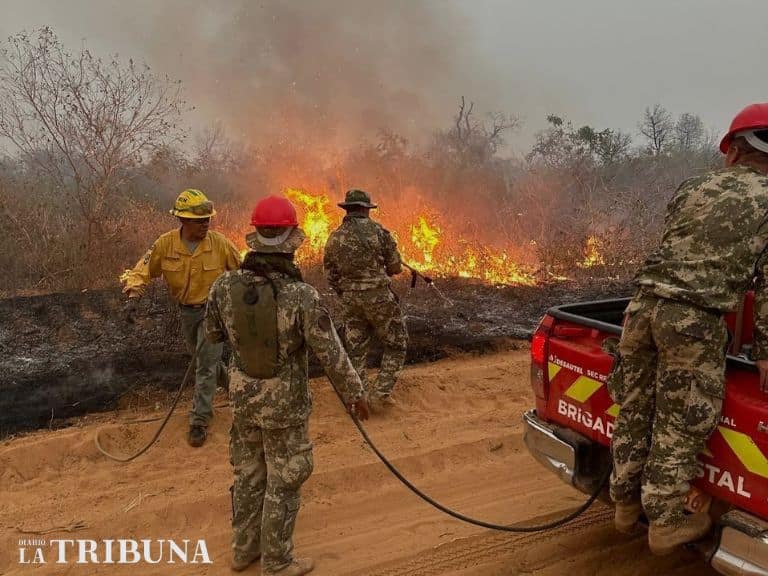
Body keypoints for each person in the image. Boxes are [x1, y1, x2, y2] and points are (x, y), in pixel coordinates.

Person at [608, 103, 768, 555]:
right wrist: (764, 351)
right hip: (693, 321)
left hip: (641, 309)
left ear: (734, 152)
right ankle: (665, 522)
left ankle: (623, 503)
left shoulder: (692, 186)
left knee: (636, 406)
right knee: (680, 422)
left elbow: (674, 248)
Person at [205, 195, 369, 576]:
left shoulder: (223, 286)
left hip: (244, 402)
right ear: (292, 238)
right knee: (286, 477)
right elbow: (331, 353)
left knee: (247, 474)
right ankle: (277, 562)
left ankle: (244, 550)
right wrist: (355, 393)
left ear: (255, 235)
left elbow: (213, 335)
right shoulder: (301, 296)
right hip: (285, 408)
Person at [121, 188, 241, 448]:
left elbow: (243, 270)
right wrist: (133, 298)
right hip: (187, 312)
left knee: (205, 366)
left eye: (208, 219)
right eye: (200, 221)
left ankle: (199, 421)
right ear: (183, 220)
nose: (206, 224)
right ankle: (240, 389)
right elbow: (142, 270)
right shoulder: (166, 244)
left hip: (215, 312)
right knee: (204, 361)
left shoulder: (219, 243)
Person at [323, 189, 408, 408]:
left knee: (356, 350)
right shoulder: (379, 232)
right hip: (380, 298)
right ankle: (379, 396)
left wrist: (348, 293)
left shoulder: (334, 237)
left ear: (348, 209)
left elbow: (331, 276)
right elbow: (395, 267)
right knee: (397, 344)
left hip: (351, 301)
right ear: (365, 209)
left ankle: (358, 398)